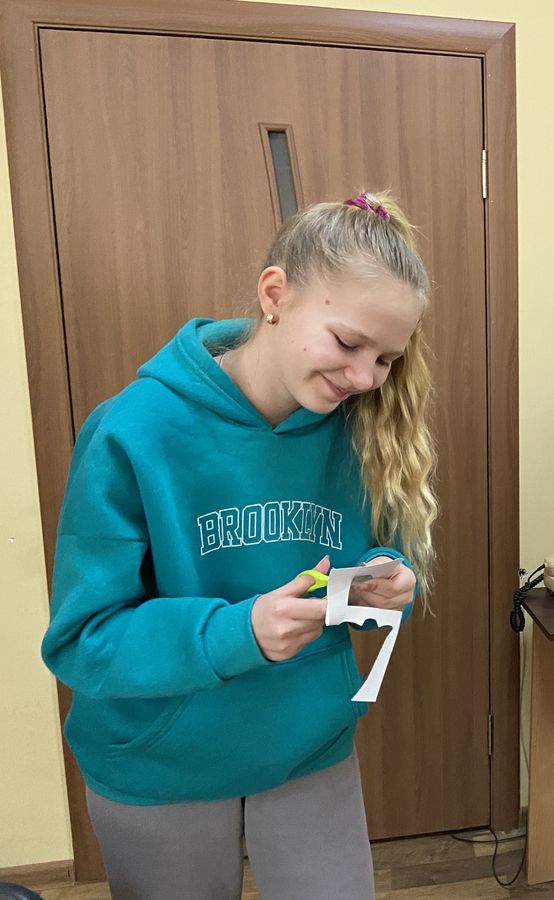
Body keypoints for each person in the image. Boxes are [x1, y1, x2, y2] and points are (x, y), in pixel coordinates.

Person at [41, 191, 438, 900]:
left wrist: (388, 582)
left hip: (309, 751)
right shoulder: (133, 429)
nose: (364, 379)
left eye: (385, 359)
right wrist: (239, 632)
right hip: (160, 764)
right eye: (348, 344)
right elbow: (82, 641)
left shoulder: (363, 428)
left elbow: (373, 563)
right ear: (275, 295)